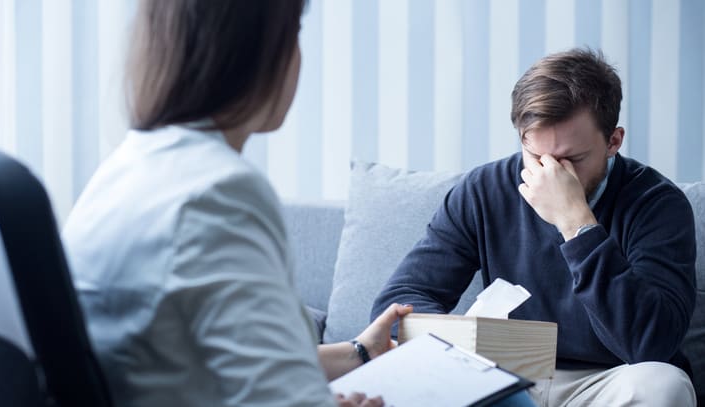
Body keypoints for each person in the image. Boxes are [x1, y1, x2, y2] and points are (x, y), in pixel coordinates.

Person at [63, 1, 411, 406]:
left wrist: (359, 352)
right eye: (295, 31)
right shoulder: (218, 191)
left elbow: (198, 364)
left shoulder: (125, 169)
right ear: (257, 49)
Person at [371, 48, 698, 406]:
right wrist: (463, 347)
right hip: (504, 377)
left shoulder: (657, 203)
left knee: (664, 385)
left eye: (571, 159)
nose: (551, 174)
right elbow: (397, 304)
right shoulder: (483, 190)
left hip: (607, 380)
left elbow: (650, 343)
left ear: (613, 142)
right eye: (537, 156)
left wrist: (576, 223)